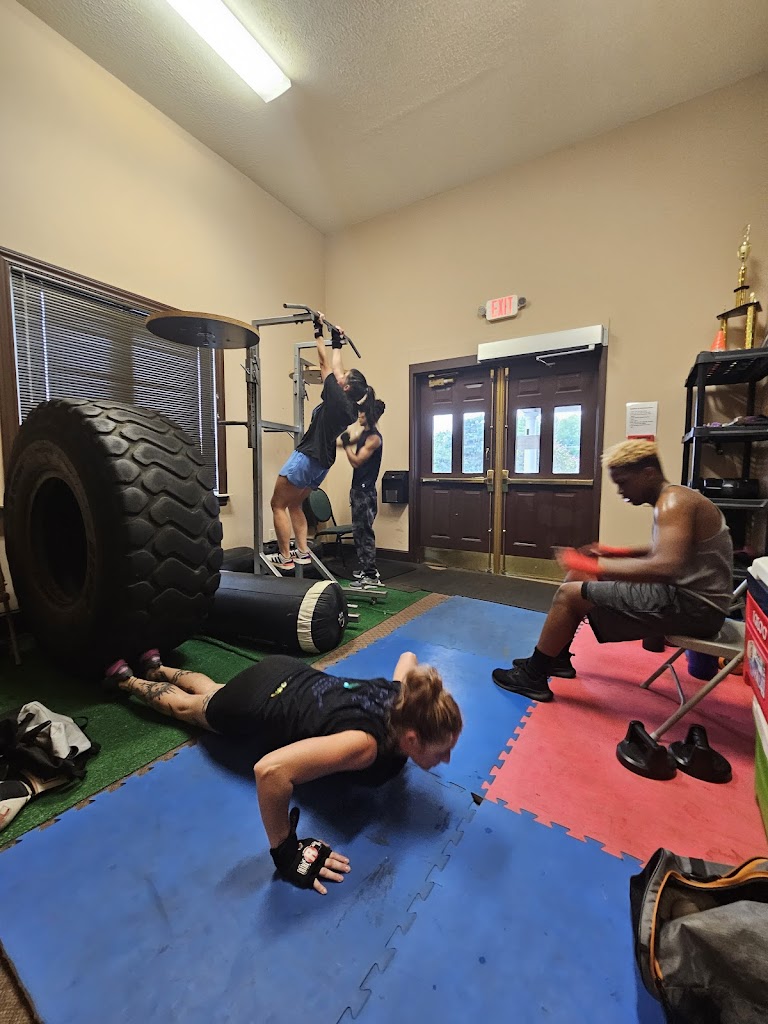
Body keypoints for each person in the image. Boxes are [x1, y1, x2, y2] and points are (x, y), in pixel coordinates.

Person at [103, 648, 462, 895]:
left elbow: (407, 658)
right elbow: (270, 771)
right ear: (412, 738)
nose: (446, 759)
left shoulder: (403, 696)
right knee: (192, 709)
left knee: (214, 692)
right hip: (258, 701)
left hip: (287, 672)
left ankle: (158, 666)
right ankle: (129, 681)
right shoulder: (364, 746)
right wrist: (286, 851)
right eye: (442, 750)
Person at [492, 439, 734, 703]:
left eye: (623, 482)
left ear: (648, 473)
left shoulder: (673, 503)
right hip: (691, 601)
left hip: (695, 609)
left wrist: (591, 564)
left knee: (569, 595)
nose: (620, 491)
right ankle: (557, 658)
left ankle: (533, 676)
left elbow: (666, 566)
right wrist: (615, 551)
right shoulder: (676, 498)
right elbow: (670, 552)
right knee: (580, 579)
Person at [268, 316, 378, 572]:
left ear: (346, 386)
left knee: (277, 504)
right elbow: (337, 368)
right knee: (295, 503)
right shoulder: (350, 406)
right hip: (322, 463)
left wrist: (318, 332)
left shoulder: (337, 398)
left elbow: (324, 363)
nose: (339, 376)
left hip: (307, 457)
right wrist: (337, 341)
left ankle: (285, 556)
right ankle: (303, 552)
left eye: (344, 377)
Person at [339, 398, 386, 588]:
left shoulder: (374, 438)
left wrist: (347, 446)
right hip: (358, 490)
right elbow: (343, 443)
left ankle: (371, 575)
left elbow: (357, 461)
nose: (359, 415)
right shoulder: (364, 434)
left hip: (365, 493)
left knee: (364, 532)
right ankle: (366, 568)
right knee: (359, 532)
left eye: (363, 412)